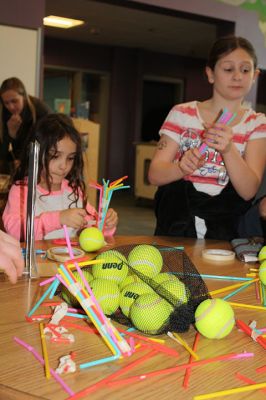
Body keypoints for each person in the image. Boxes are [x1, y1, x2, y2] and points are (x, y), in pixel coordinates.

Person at [148, 36, 266, 240]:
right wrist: (181, 168)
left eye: (245, 70)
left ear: (254, 75)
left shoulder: (257, 123)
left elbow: (248, 191)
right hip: (175, 226)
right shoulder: (182, 113)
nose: (237, 76)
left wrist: (228, 150)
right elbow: (155, 174)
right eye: (228, 69)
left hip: (226, 233)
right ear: (210, 74)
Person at [3, 113, 118, 241]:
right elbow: (15, 231)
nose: (63, 166)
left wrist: (105, 224)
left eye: (70, 158)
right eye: (55, 156)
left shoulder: (74, 191)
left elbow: (93, 229)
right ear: (36, 153)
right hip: (36, 260)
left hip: (69, 260)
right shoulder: (22, 190)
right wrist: (58, 219)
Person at [0, 77, 50, 174]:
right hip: (16, 167)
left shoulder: (40, 110)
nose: (10, 107)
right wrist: (11, 134)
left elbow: (48, 143)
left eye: (14, 101)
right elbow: (3, 155)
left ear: (23, 96)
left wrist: (26, 161)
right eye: (6, 103)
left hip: (39, 164)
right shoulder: (3, 112)